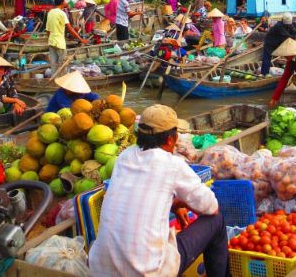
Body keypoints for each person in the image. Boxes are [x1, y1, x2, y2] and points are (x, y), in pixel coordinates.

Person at [89, 105, 228, 277]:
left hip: (101, 270)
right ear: (171, 139)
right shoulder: (172, 165)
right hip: (148, 273)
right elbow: (211, 206)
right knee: (217, 221)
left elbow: (140, 196)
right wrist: (182, 202)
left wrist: (174, 204)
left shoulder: (124, 157)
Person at [46, 0, 88, 71]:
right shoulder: (62, 14)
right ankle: (60, 80)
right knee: (62, 66)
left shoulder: (50, 12)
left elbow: (48, 30)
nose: (66, 2)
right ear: (62, 2)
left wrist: (50, 39)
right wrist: (80, 39)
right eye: (65, 0)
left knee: (54, 66)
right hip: (59, 43)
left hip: (51, 42)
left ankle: (55, 80)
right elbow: (70, 29)